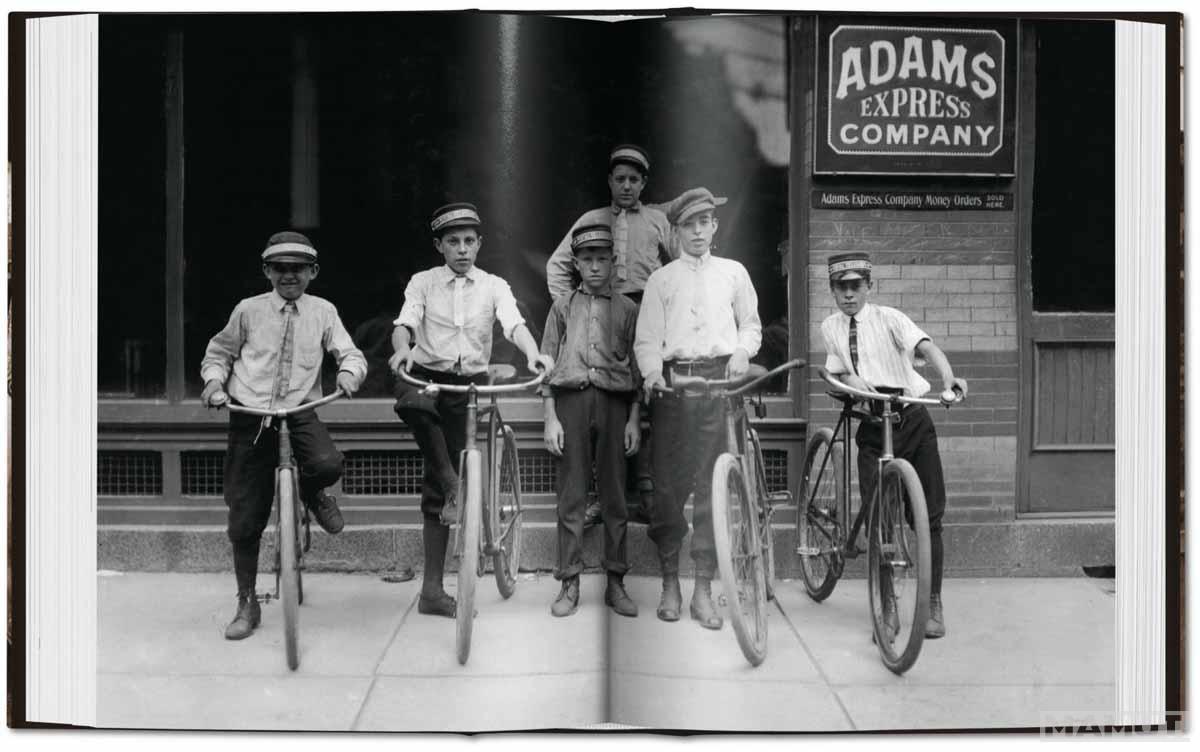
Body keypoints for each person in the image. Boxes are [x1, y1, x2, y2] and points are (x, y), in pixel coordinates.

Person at [388, 202, 554, 618]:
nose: (461, 249)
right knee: (413, 404)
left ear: (479, 244)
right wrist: (404, 350)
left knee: (442, 481)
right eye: (452, 242)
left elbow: (513, 324)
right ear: (439, 246)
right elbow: (404, 323)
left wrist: (533, 354)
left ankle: (433, 580)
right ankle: (451, 487)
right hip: (426, 375)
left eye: (468, 241)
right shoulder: (423, 282)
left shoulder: (494, 285)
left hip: (468, 385)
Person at [200, 231, 366, 641]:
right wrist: (213, 383)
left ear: (313, 272)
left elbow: (350, 353)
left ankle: (310, 493)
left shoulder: (323, 311)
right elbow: (218, 353)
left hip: (298, 413)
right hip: (251, 415)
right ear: (267, 272)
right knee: (245, 516)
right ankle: (247, 601)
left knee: (328, 463)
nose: (289, 276)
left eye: (298, 269)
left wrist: (349, 372)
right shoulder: (248, 310)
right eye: (280, 268)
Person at [819, 252, 968, 640]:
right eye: (841, 287)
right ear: (832, 289)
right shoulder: (831, 327)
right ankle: (887, 608)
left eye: (856, 286)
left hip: (912, 420)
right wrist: (852, 382)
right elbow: (834, 368)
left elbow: (929, 349)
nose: (849, 294)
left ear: (869, 286)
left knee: (929, 516)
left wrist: (949, 380)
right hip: (872, 426)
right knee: (880, 523)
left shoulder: (890, 318)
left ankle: (932, 603)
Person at [634, 187, 762, 630]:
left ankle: (703, 588)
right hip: (674, 391)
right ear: (676, 230)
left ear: (715, 225)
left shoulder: (733, 273)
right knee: (668, 491)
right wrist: (653, 374)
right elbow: (647, 339)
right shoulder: (662, 280)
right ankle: (671, 581)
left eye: (705, 222)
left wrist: (743, 352)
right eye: (688, 224)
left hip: (720, 387)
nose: (697, 232)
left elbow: (751, 326)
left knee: (711, 490)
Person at [546, 143, 672, 527]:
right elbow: (558, 264)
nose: (627, 186)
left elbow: (678, 269)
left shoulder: (656, 222)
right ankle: (597, 497)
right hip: (599, 314)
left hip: (646, 315)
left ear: (644, 183)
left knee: (646, 399)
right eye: (620, 179)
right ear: (609, 181)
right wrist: (573, 308)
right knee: (602, 401)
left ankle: (648, 492)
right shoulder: (592, 219)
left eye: (635, 180)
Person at [540, 223, 641, 618]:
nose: (595, 267)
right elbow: (546, 362)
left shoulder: (629, 308)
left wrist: (634, 419)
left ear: (613, 262)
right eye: (587, 260)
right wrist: (550, 417)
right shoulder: (563, 306)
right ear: (577, 264)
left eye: (602, 259)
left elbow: (636, 367)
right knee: (572, 495)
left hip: (615, 405)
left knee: (616, 496)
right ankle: (569, 581)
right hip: (572, 403)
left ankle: (616, 582)